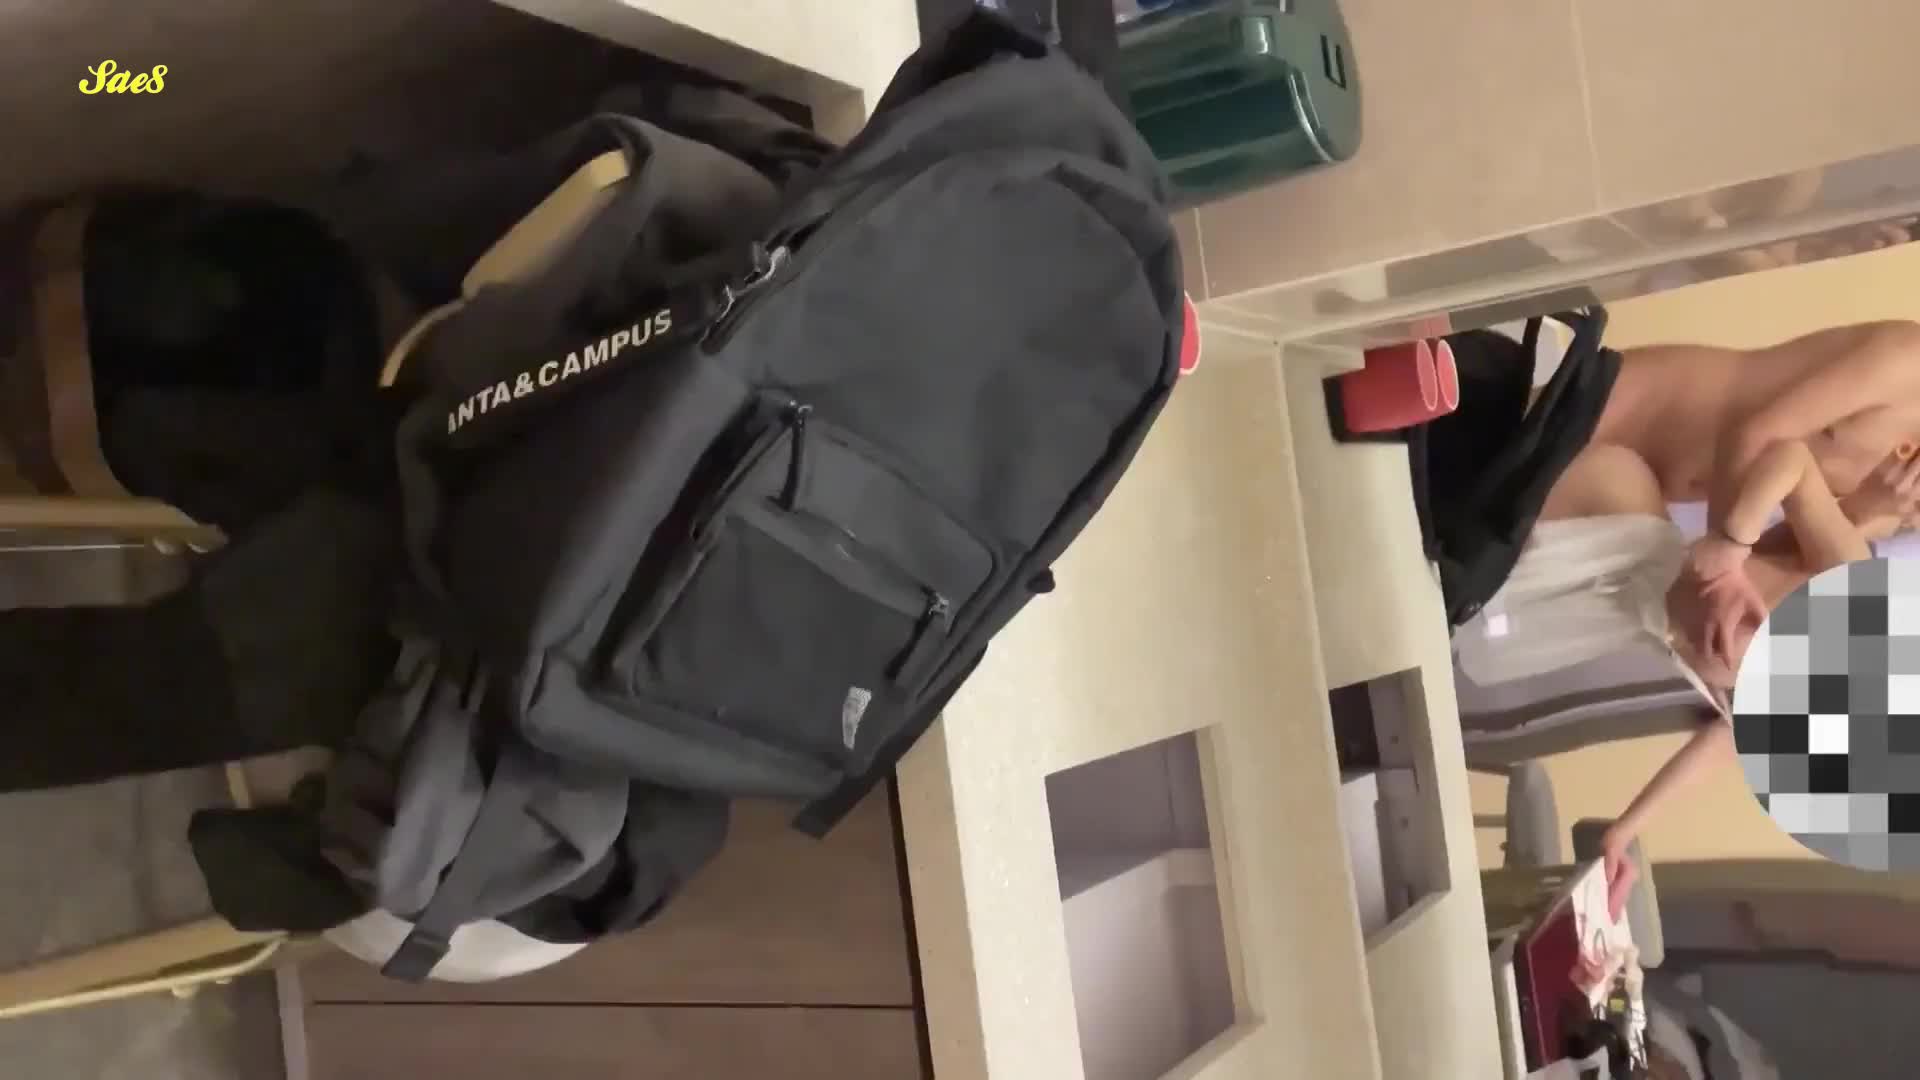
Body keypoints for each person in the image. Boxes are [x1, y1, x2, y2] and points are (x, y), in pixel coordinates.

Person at [1468, 438, 1920, 919]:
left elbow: (1724, 743)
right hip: (1603, 518)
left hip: (1607, 607)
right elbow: (1793, 462)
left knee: (1454, 630)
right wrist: (1733, 544)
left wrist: (1624, 831)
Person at [1543, 317, 1920, 670]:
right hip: (1641, 411)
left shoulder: (1900, 495)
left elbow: (1789, 546)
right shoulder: (1908, 359)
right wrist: (1726, 557)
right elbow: (1757, 436)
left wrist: (1865, 512)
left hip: (1643, 482)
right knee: (1507, 460)